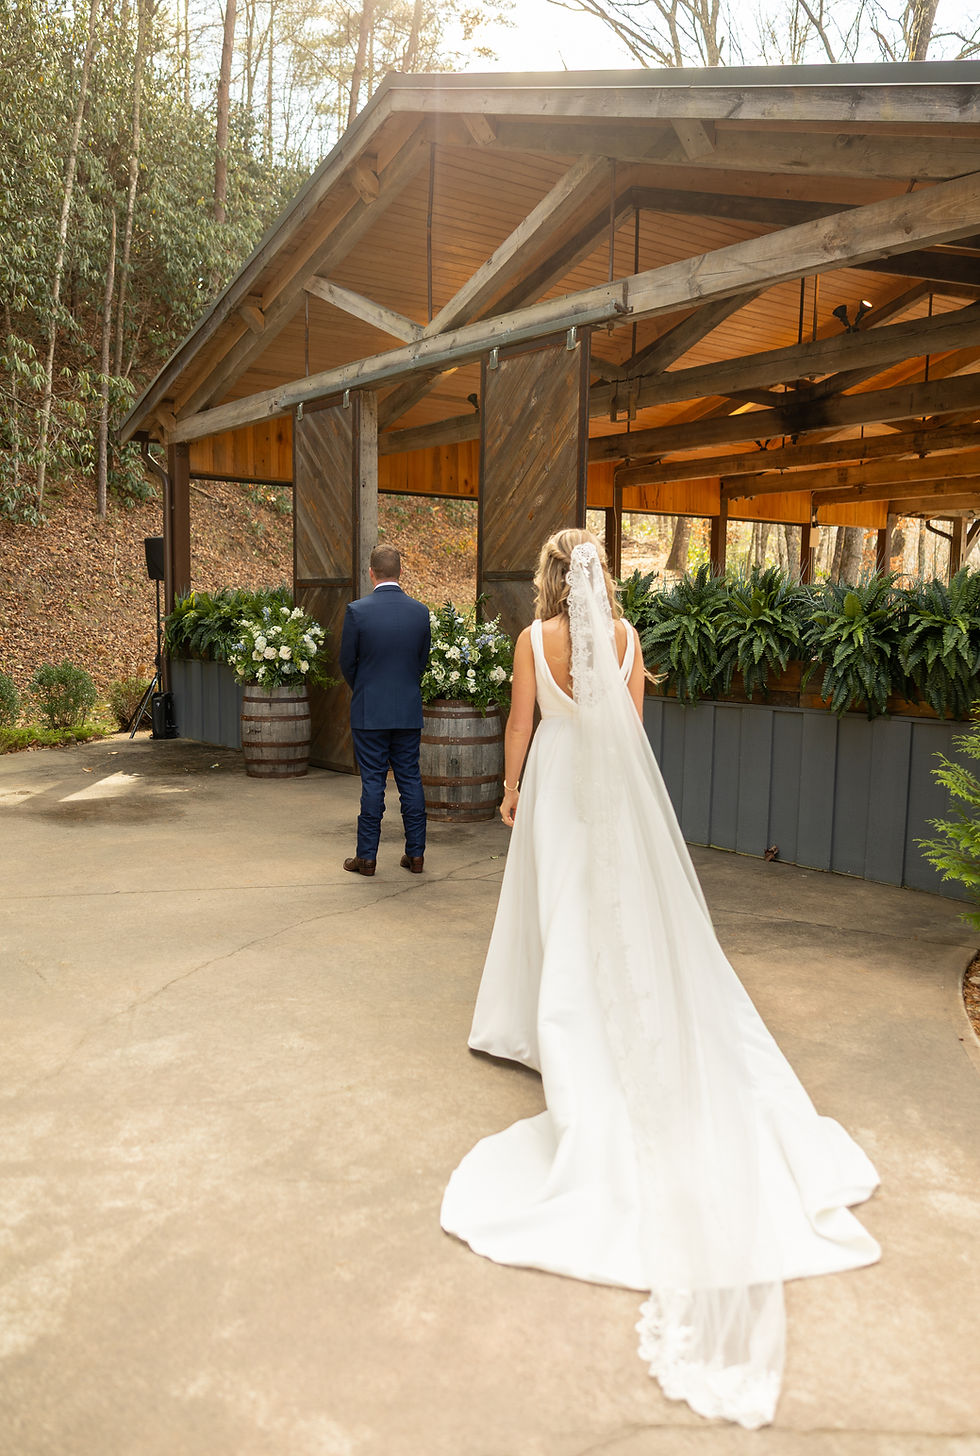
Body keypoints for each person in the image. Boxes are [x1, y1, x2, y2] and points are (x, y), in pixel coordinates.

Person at [440, 527, 881, 1429]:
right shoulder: (634, 642)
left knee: (559, 910)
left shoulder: (534, 642)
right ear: (606, 578)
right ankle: (608, 1013)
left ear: (552, 579)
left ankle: (543, 1028)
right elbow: (633, 734)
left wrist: (512, 787)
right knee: (622, 919)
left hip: (560, 786)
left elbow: (520, 722)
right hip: (614, 794)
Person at [338, 544, 431, 877]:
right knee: (410, 780)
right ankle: (416, 855)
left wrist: (366, 688)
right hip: (407, 709)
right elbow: (421, 661)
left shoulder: (357, 612)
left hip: (370, 711)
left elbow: (347, 662)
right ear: (401, 572)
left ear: (371, 572)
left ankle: (367, 858)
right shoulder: (420, 612)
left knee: (373, 782)